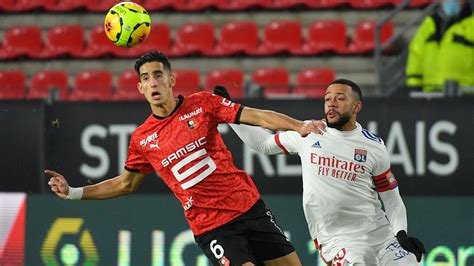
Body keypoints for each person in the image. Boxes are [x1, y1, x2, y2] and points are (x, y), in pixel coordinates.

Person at [45, 51, 324, 265]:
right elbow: (125, 185)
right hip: (212, 227)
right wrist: (73, 193)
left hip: (250, 208)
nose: (152, 82)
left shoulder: (203, 104)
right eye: (145, 78)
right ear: (140, 88)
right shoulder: (142, 139)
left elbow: (257, 116)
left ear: (171, 79)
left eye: (158, 74)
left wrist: (298, 125)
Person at [219, 79, 426, 265]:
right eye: (328, 99)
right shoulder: (309, 132)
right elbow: (263, 143)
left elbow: (390, 194)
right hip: (338, 238)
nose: (331, 103)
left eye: (340, 98)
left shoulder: (374, 145)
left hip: (380, 233)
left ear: (357, 106)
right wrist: (230, 112)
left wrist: (400, 232)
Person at [405, 0, 474, 92]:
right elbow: (416, 59)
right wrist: (413, 88)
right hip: (430, 97)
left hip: (465, 97)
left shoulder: (471, 25)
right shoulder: (428, 25)